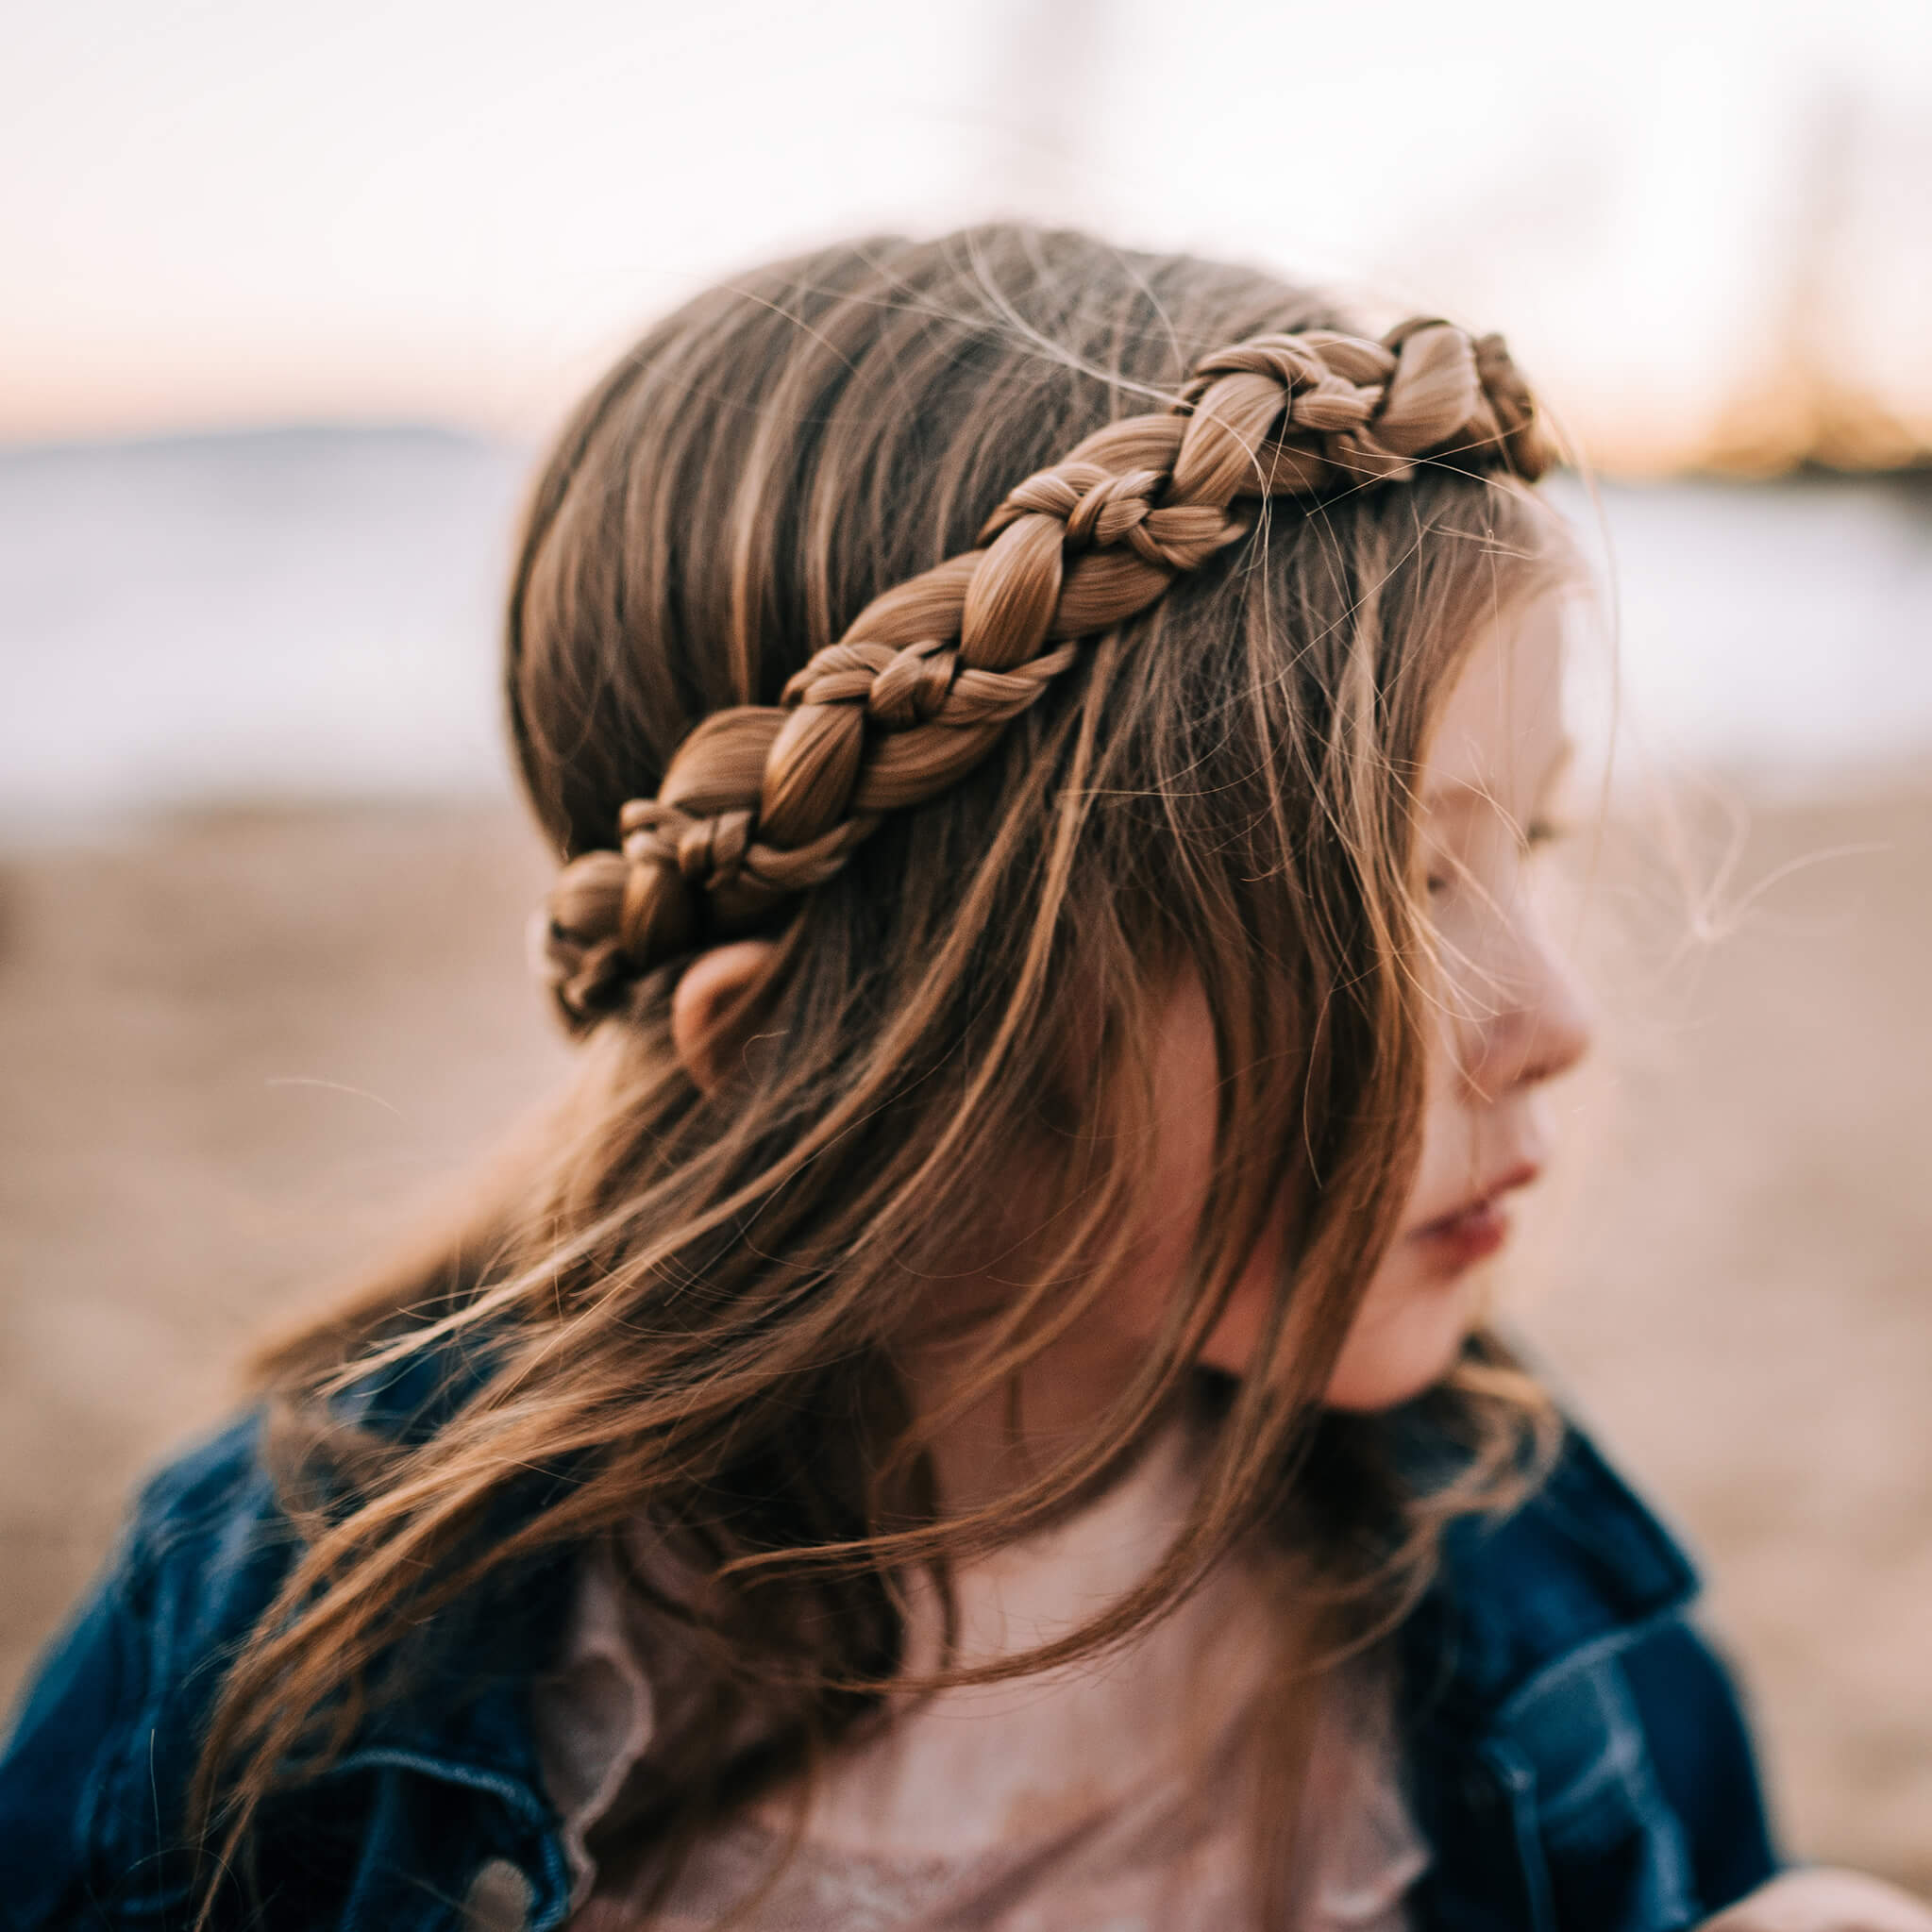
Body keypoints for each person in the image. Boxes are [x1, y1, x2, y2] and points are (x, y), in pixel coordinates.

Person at [2, 226, 1926, 1932]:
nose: (1558, 1017)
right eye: (1390, 894)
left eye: (1529, 849)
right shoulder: (303, 1651)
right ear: (790, 1058)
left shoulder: (1512, 1565)